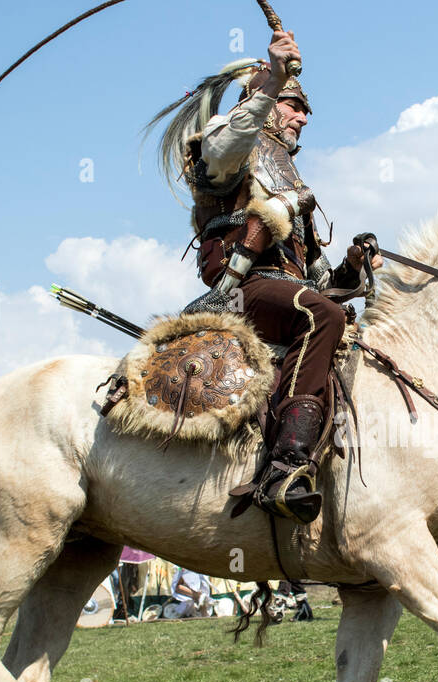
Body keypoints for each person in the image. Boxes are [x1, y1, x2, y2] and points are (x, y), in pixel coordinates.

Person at [148, 30, 380, 524]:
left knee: (332, 315)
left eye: (304, 111)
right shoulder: (229, 147)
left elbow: (318, 279)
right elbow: (227, 141)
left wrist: (353, 266)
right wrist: (272, 81)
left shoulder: (291, 177)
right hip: (241, 290)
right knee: (321, 316)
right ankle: (284, 466)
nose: (302, 117)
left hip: (287, 291)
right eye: (295, 106)